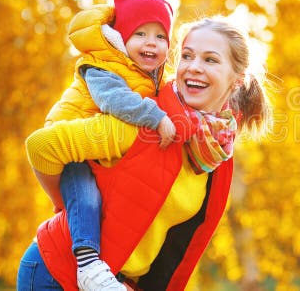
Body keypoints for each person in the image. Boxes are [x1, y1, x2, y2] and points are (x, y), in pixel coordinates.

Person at [18, 17, 271, 291]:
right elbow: (42, 146)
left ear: (237, 79)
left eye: (210, 60)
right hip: (57, 274)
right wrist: (71, 209)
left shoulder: (216, 150)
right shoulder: (144, 121)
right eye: (187, 56)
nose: (194, 68)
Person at [35, 0, 177, 291]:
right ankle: (87, 263)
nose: (151, 42)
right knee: (86, 194)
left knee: (96, 200)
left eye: (160, 36)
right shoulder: (102, 65)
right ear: (120, 39)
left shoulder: (151, 76)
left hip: (96, 147)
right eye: (140, 33)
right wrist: (156, 117)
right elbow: (113, 100)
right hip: (73, 140)